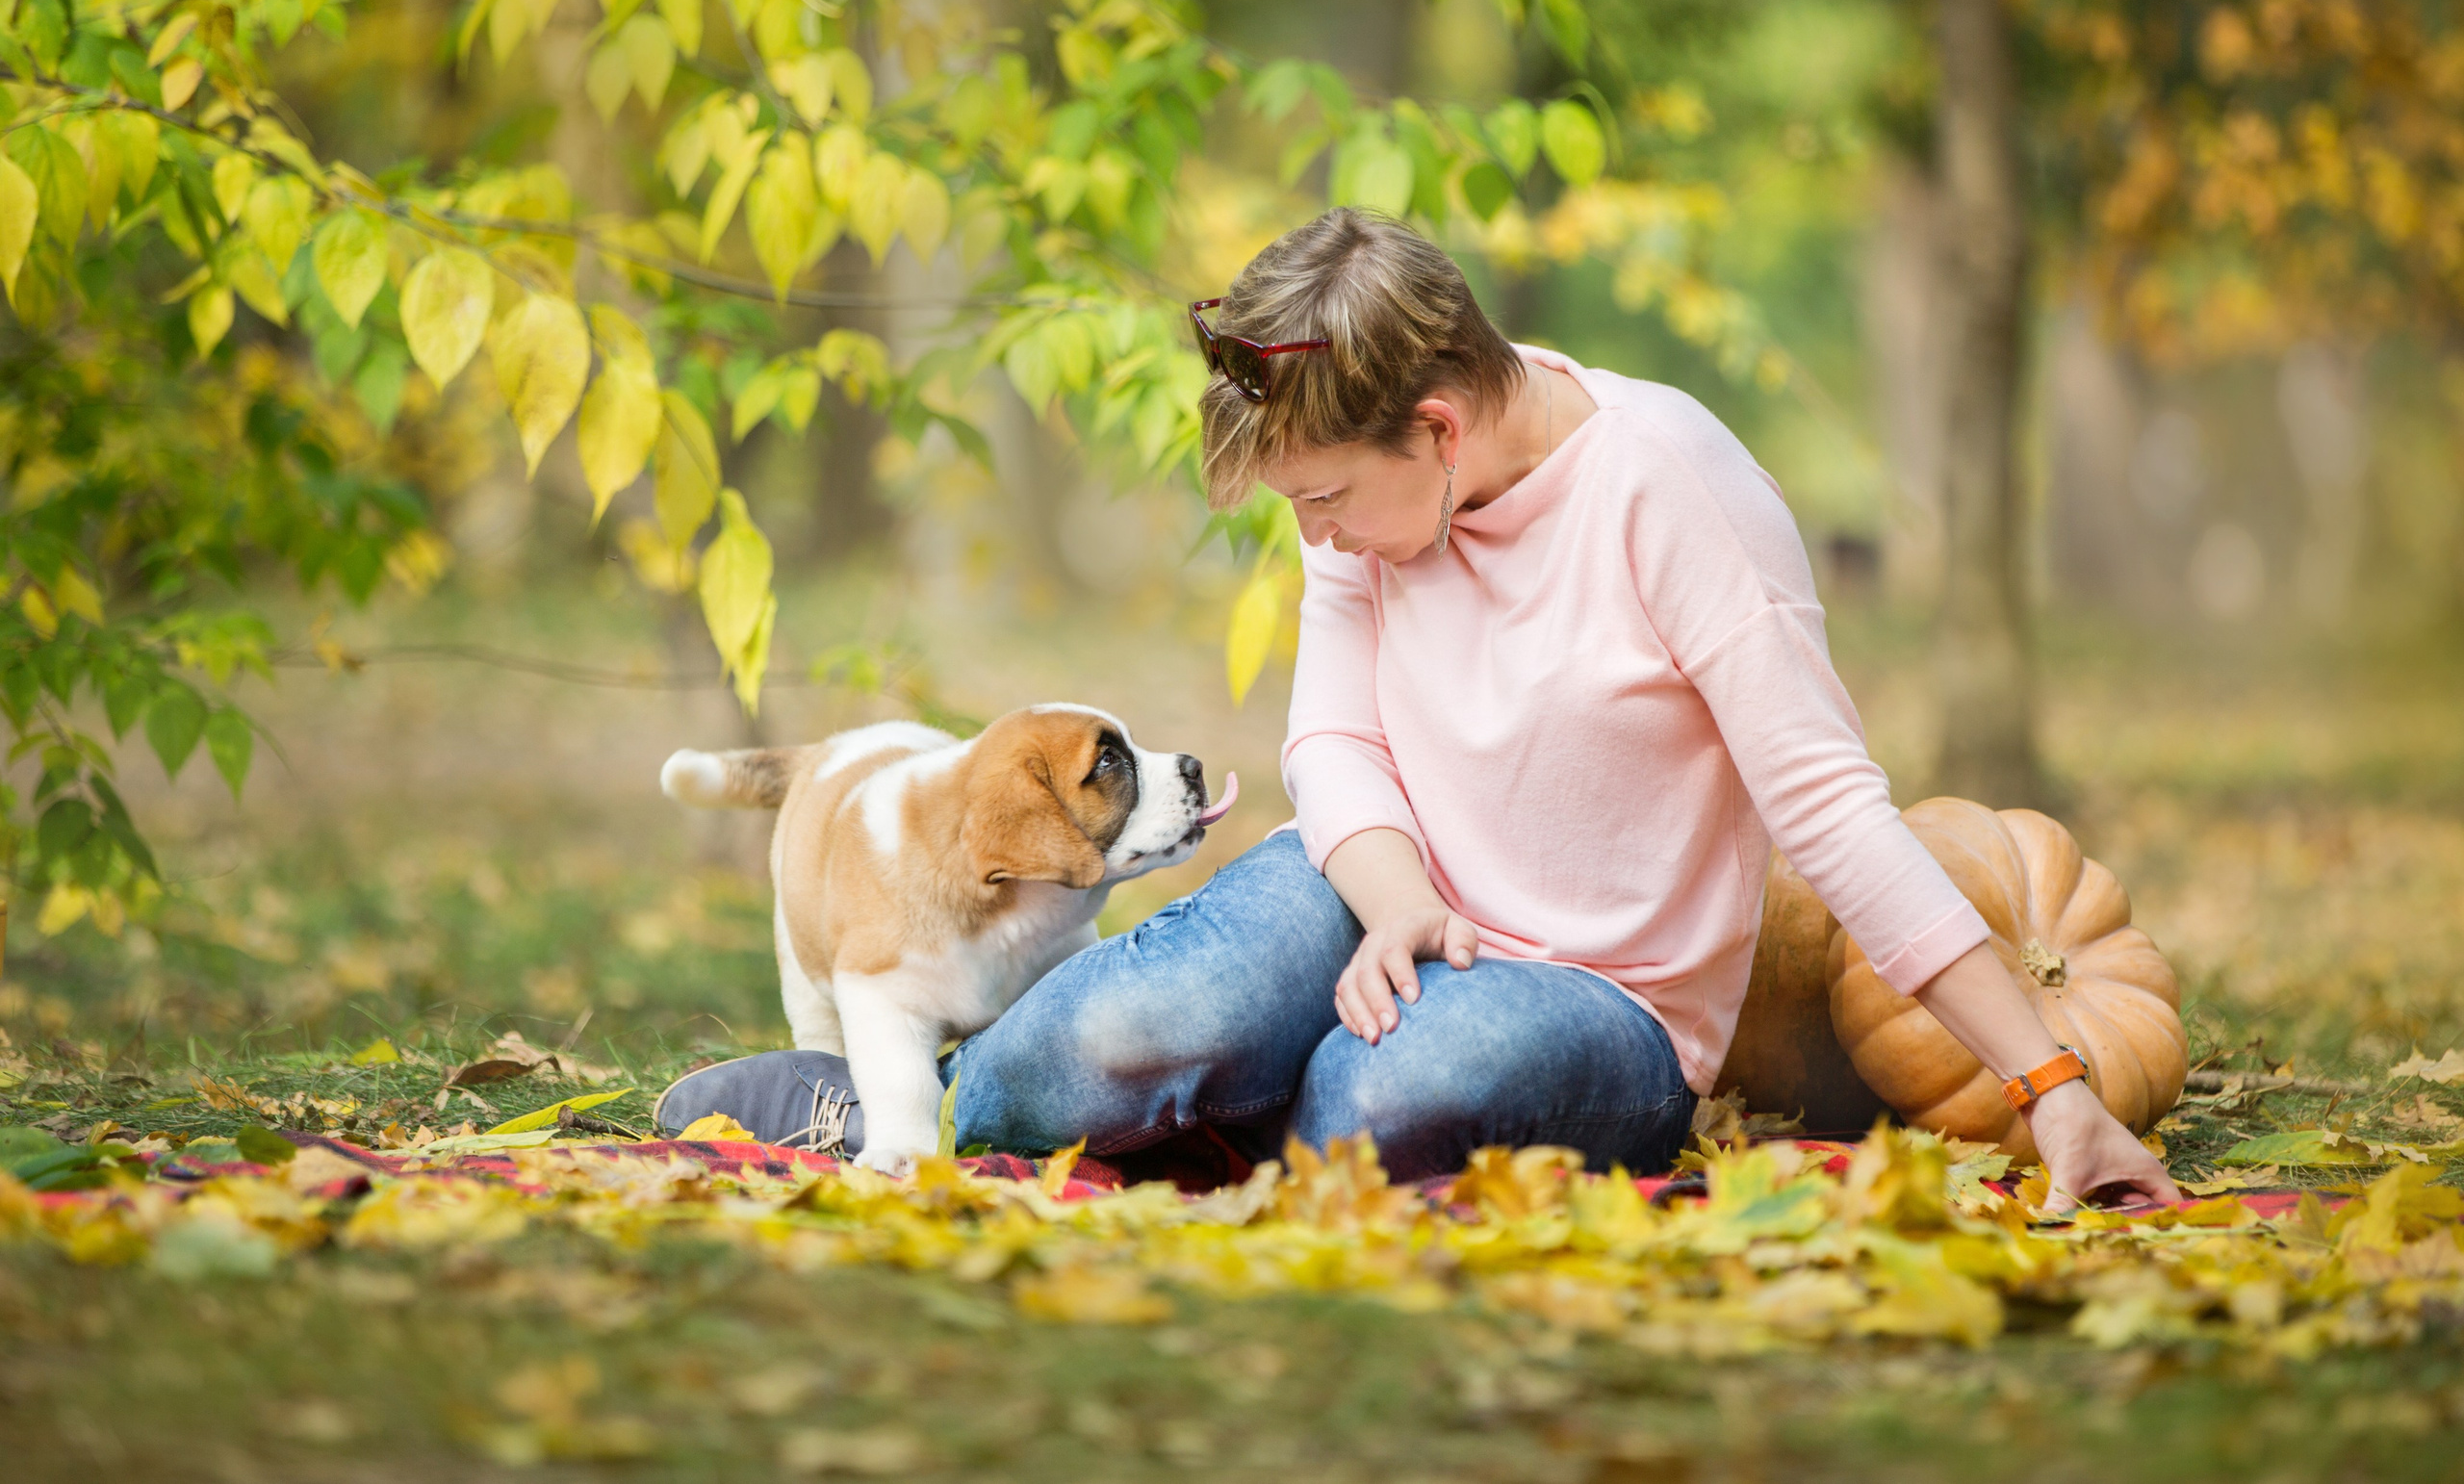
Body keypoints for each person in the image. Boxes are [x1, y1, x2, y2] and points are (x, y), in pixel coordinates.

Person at [662, 208, 2179, 1214]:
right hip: (1373, 899)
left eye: (1324, 501)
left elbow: (1836, 819)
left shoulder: (1675, 495)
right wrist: (1385, 903)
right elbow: (1333, 740)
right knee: (1118, 1033)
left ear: (1439, 429)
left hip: (1607, 1001)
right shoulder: (1367, 495)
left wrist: (2049, 1084)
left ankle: (1235, 1102)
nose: (1312, 538)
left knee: (1382, 1110)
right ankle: (901, 1097)